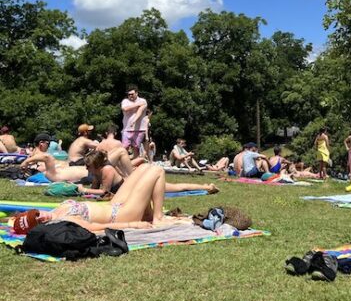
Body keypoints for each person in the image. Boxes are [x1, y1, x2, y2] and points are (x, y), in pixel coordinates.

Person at [13, 163, 170, 234]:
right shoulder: (63, 221)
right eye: (39, 222)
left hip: (114, 204)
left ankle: (149, 214)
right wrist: (132, 225)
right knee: (157, 170)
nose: (42, 217)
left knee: (144, 167)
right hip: (121, 214)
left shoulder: (55, 211)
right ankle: (158, 218)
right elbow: (94, 227)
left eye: (37, 214)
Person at [81, 149, 219, 196]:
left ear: (96, 165)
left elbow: (103, 191)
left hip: (140, 185)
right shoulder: (97, 173)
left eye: (88, 166)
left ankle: (207, 187)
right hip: (136, 186)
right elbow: (94, 190)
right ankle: (206, 187)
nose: (86, 169)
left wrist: (83, 190)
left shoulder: (107, 170)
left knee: (176, 188)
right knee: (174, 187)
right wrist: (86, 191)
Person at [20, 133, 90, 183]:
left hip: (69, 168)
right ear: (41, 143)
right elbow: (44, 162)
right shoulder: (40, 155)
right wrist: (26, 162)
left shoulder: (35, 155)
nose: (49, 146)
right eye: (48, 143)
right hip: (66, 170)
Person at [121, 86, 148, 158]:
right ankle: (124, 162)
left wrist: (134, 120)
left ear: (136, 93)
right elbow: (125, 108)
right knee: (124, 147)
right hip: (127, 128)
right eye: (129, 94)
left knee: (136, 148)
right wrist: (137, 105)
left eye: (132, 94)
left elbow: (140, 111)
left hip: (139, 129)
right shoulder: (125, 101)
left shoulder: (143, 101)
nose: (130, 96)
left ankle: (136, 163)